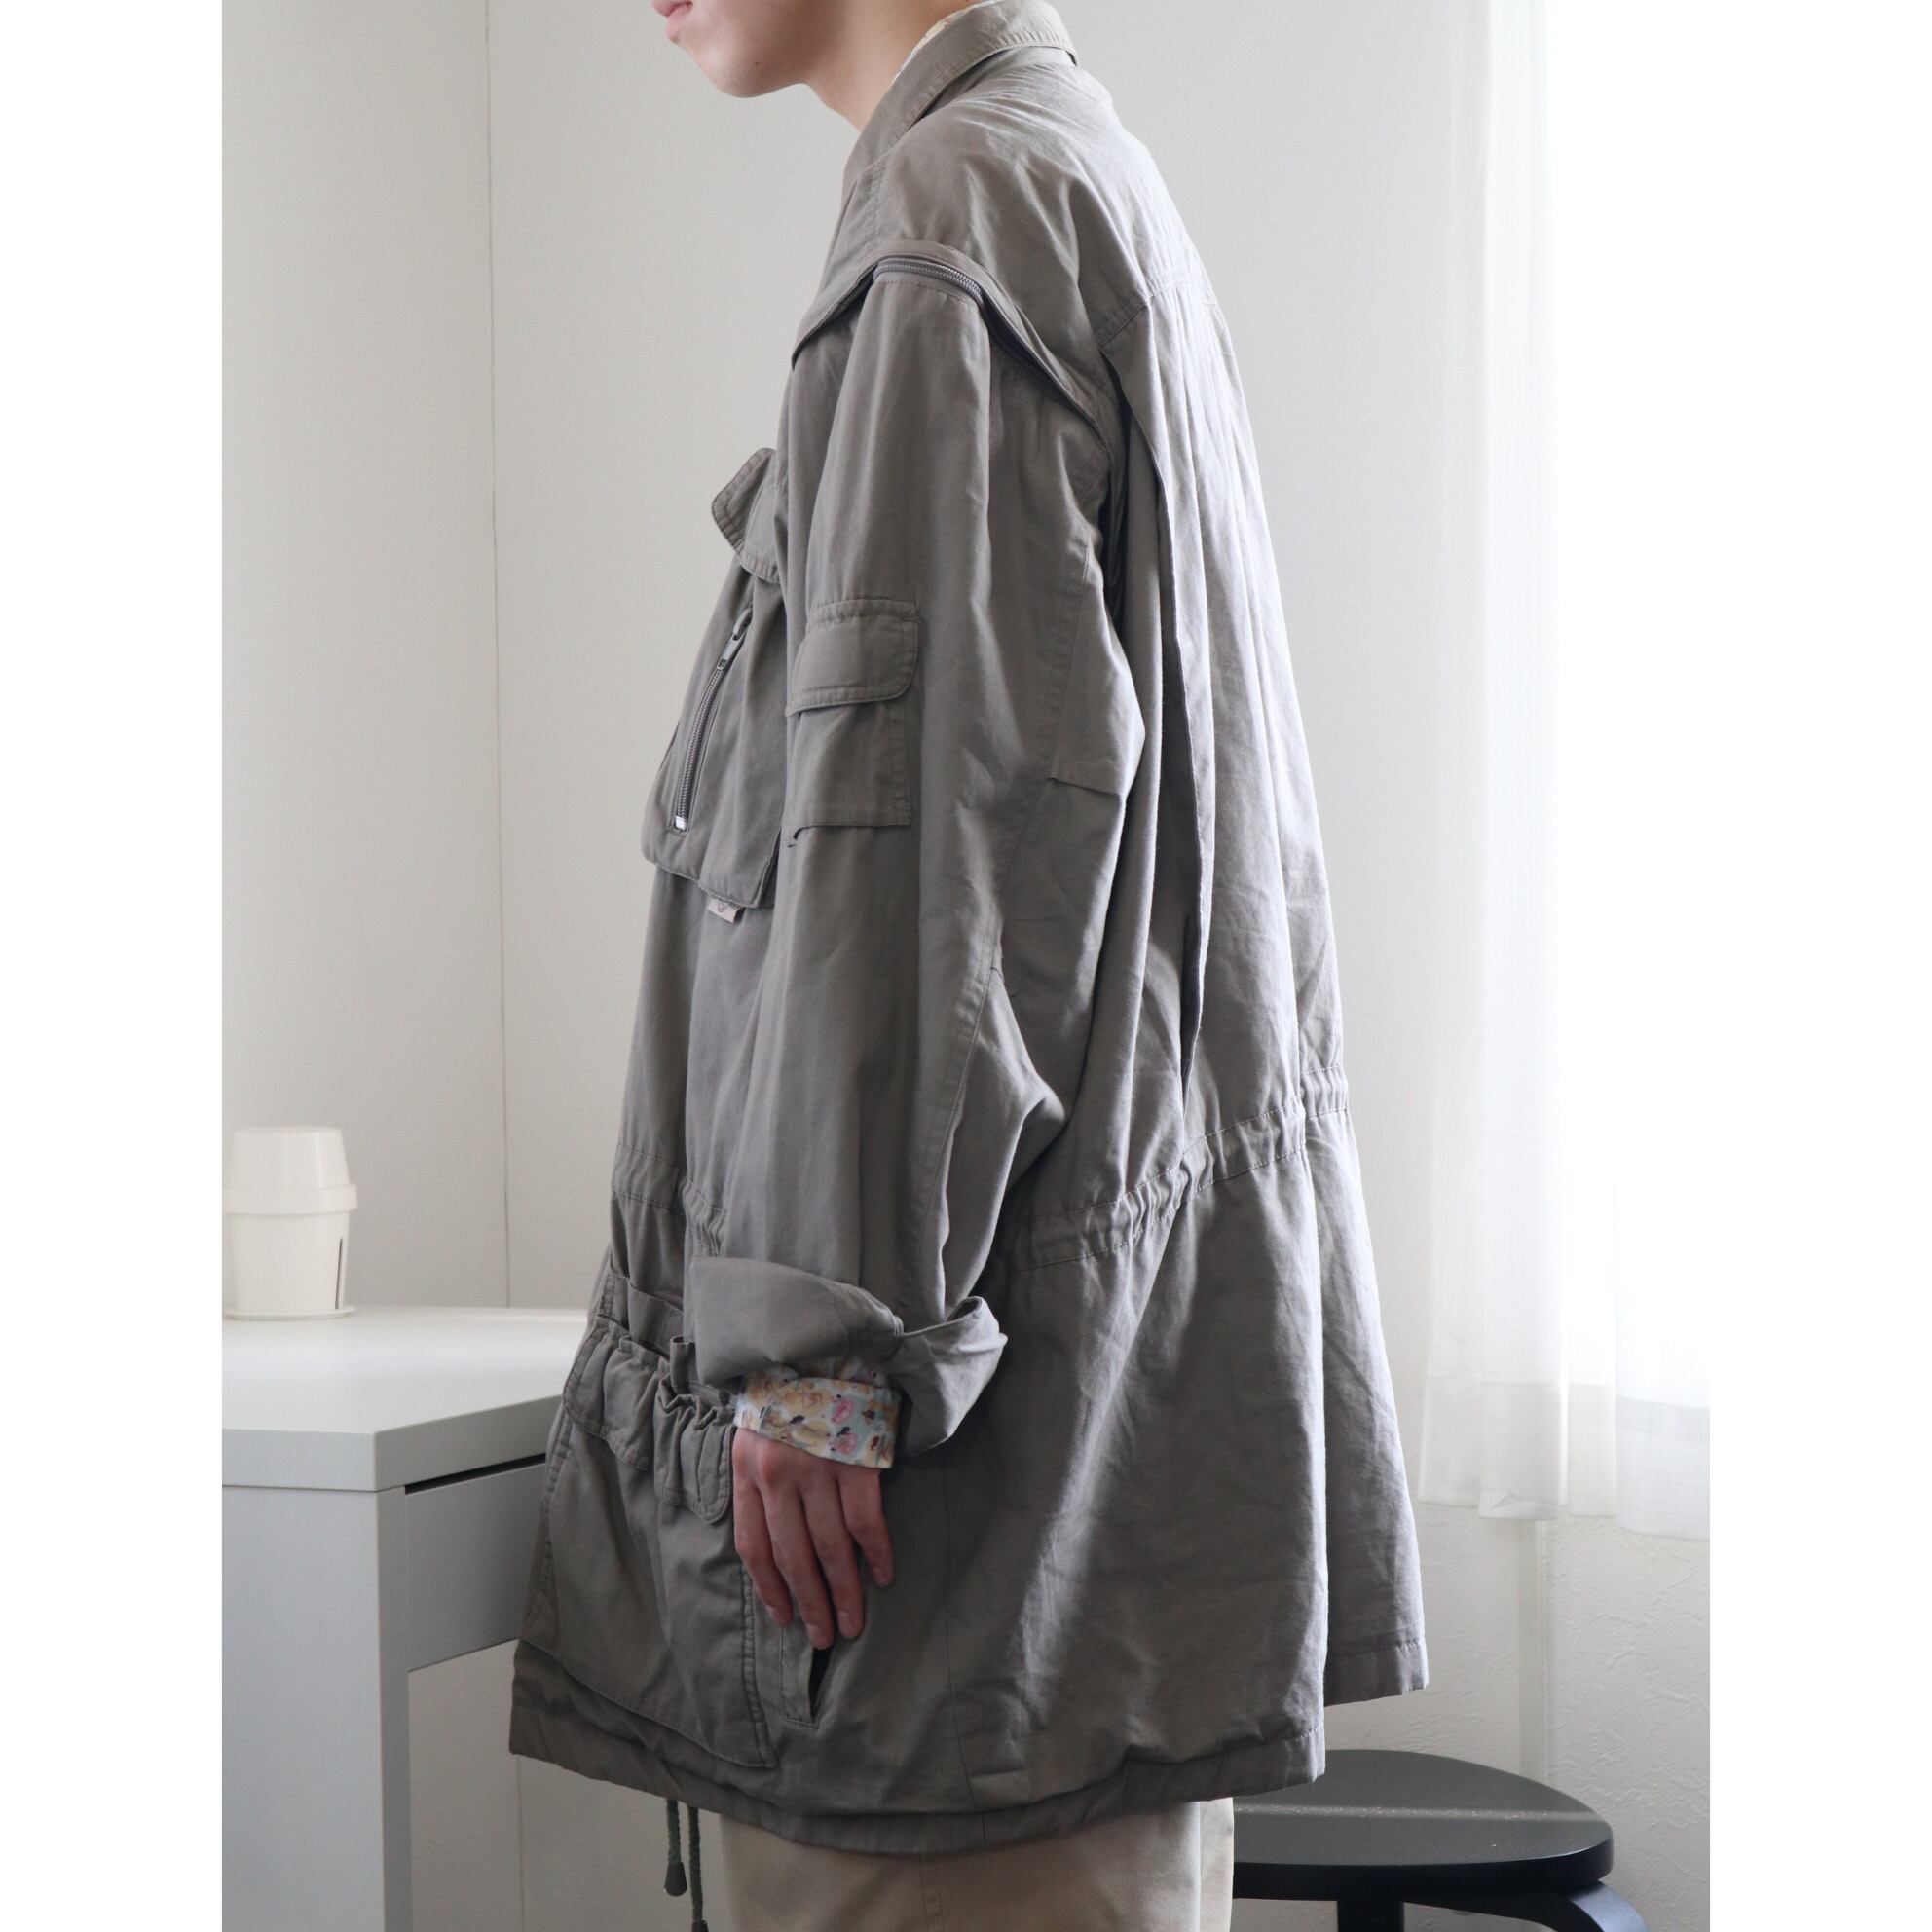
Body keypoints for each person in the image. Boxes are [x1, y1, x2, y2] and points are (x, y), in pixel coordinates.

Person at [507, 3, 1429, 1926]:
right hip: (1071, 1511)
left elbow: (927, 842)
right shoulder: (1064, 171)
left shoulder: (955, 216)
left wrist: (821, 1356)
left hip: (953, 1553)